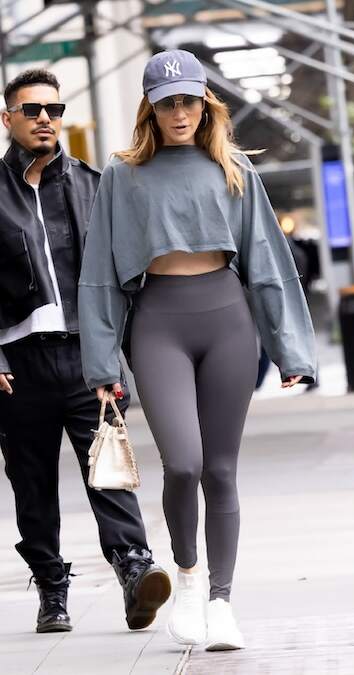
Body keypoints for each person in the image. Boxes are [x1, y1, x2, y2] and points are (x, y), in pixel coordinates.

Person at [78, 49, 318, 651]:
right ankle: (186, 578)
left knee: (221, 469)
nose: (179, 112)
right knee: (182, 464)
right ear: (151, 110)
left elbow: (269, 265)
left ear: (204, 104)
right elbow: (101, 275)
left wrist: (291, 349)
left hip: (228, 322)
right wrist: (103, 362)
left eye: (188, 100)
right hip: (158, 322)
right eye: (167, 103)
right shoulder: (121, 176)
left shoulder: (235, 169)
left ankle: (221, 602)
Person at [0, 68, 170, 634]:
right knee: (32, 484)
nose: (45, 118)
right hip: (17, 364)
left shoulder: (91, 183)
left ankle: (134, 569)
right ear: (8, 119)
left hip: (86, 356)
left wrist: (128, 349)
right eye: (32, 110)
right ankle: (53, 590)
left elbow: (123, 274)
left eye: (54, 108)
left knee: (110, 467)